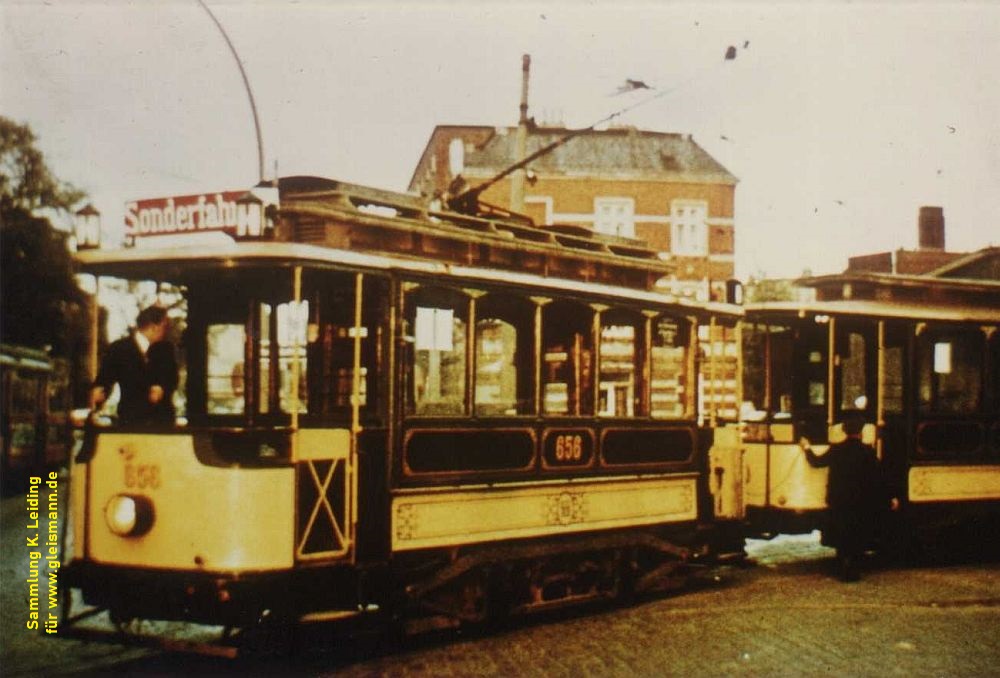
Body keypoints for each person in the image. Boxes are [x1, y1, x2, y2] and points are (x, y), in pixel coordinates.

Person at [799, 416, 894, 582]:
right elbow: (878, 477)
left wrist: (806, 447)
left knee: (842, 532)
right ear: (861, 432)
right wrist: (889, 497)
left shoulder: (837, 449)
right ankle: (853, 567)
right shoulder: (867, 452)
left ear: (844, 431)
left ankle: (843, 564)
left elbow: (816, 462)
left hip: (838, 499)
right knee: (857, 533)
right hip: (859, 500)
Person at [90, 305, 178, 425]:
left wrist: (162, 388)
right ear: (154, 327)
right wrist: (99, 390)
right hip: (130, 418)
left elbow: (173, 378)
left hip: (162, 420)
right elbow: (105, 378)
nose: (166, 330)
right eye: (164, 326)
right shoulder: (119, 349)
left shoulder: (167, 349)